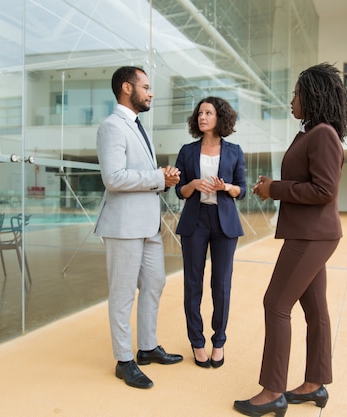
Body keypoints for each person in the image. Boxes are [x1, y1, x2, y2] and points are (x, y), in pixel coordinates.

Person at [233, 63, 347, 416]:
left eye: (297, 93)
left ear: (313, 96)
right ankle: (316, 383)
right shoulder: (311, 133)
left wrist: (275, 189)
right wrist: (274, 187)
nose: (291, 100)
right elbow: (310, 182)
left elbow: (325, 190)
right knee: (315, 309)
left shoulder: (323, 134)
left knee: (276, 303)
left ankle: (272, 393)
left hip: (312, 235)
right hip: (310, 233)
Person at [95, 66, 183, 390]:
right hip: (123, 227)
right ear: (126, 88)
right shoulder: (111, 127)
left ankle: (146, 347)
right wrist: (158, 177)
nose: (150, 92)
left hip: (148, 225)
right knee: (121, 296)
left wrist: (163, 176)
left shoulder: (136, 126)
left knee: (155, 283)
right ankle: (124, 361)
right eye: (145, 86)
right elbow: (114, 177)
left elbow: (139, 174)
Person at [174, 97, 247, 369]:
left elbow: (242, 189)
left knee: (221, 284)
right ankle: (196, 340)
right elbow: (179, 190)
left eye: (209, 112)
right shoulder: (187, 150)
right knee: (193, 283)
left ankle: (219, 341)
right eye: (200, 112)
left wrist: (225, 187)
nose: (202, 116)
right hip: (195, 221)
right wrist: (192, 183)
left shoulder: (234, 151)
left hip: (224, 222)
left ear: (220, 118)